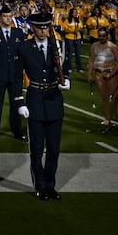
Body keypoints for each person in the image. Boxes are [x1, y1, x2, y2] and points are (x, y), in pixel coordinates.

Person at [21, 12, 71, 201]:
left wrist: (67, 80)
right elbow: (18, 75)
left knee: (53, 149)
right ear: (32, 27)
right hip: (35, 98)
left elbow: (64, 68)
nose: (42, 30)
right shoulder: (24, 48)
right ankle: (40, 186)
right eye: (39, 27)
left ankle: (50, 185)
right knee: (36, 148)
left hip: (54, 99)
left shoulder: (57, 45)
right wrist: (19, 100)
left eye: (45, 27)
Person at [0, 6, 28, 141]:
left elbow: (22, 53)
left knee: (16, 104)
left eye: (10, 16)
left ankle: (17, 131)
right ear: (0, 17)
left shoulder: (18, 32)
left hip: (15, 75)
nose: (8, 19)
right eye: (5, 16)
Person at [87, 27, 118, 128]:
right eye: (100, 36)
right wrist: (89, 75)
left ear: (108, 36)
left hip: (110, 72)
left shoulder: (113, 47)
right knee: (104, 96)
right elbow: (91, 61)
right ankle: (107, 119)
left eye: (104, 36)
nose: (102, 38)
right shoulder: (94, 46)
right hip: (99, 73)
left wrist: (112, 74)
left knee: (116, 97)